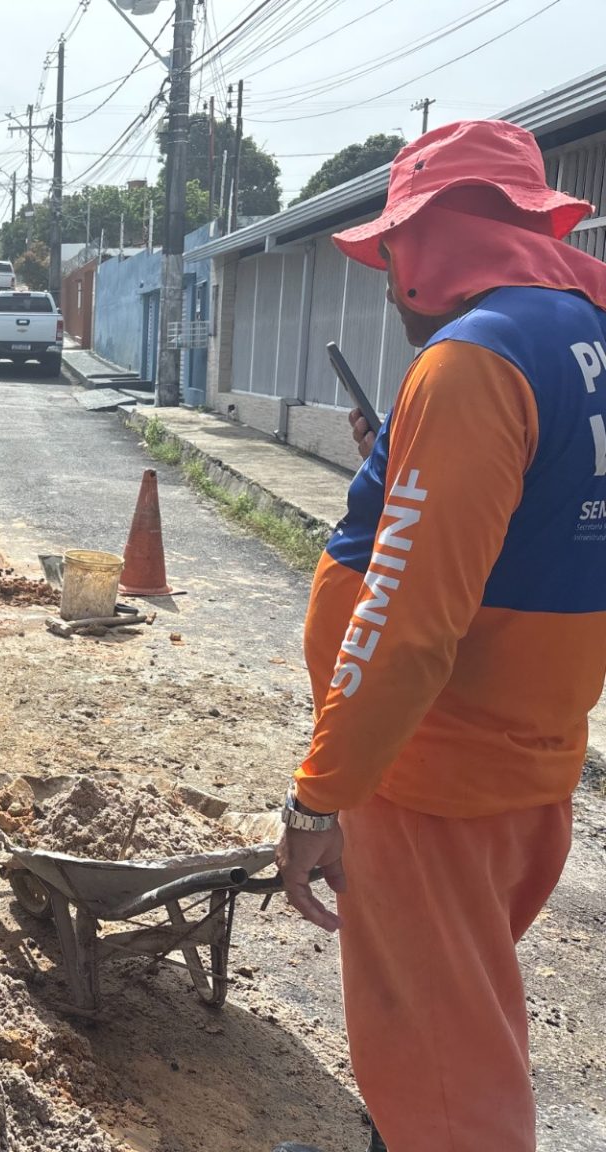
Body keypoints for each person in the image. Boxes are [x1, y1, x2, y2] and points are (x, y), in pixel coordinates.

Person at [272, 120, 606, 1152]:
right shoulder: (581, 340)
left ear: (434, 249)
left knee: (452, 1071)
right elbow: (542, 518)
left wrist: (319, 792)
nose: (385, 279)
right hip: (526, 758)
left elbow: (408, 629)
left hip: (433, 773)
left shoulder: (473, 365)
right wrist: (398, 461)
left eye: (392, 253)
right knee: (434, 1020)